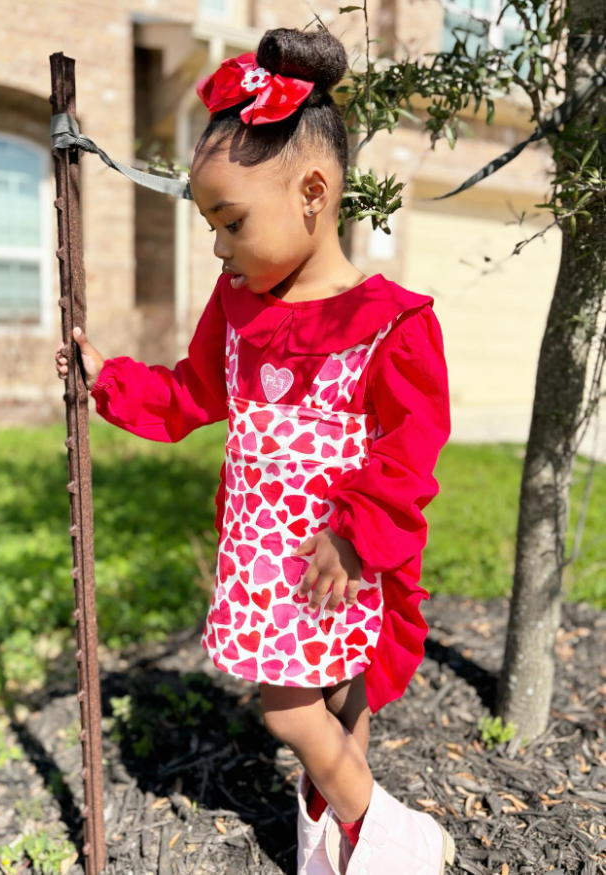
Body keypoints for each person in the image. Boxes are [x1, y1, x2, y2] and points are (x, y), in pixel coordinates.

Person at [55, 26, 453, 875]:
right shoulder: (238, 311)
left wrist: (355, 532)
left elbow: (411, 450)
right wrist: (107, 380)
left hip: (338, 554)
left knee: (324, 695)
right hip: (266, 562)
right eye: (210, 223)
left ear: (312, 191)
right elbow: (192, 393)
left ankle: (385, 831)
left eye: (231, 221)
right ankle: (337, 831)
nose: (217, 246)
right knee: (300, 701)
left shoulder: (390, 323)